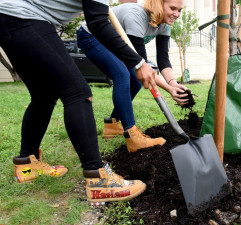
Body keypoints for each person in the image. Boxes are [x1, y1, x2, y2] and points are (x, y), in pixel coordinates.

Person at [0, 0, 162, 204]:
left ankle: (27, 163)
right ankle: (98, 180)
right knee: (78, 93)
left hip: (8, 17)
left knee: (44, 95)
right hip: (23, 18)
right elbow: (98, 23)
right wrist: (138, 62)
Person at [77, 0, 188, 153]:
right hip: (92, 36)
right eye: (173, 8)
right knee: (122, 74)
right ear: (158, 4)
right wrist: (168, 89)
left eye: (180, 10)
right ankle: (132, 135)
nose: (176, 14)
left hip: (113, 42)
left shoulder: (164, 25)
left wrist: (173, 83)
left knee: (135, 80)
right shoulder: (136, 16)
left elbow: (163, 59)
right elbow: (142, 67)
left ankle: (112, 124)